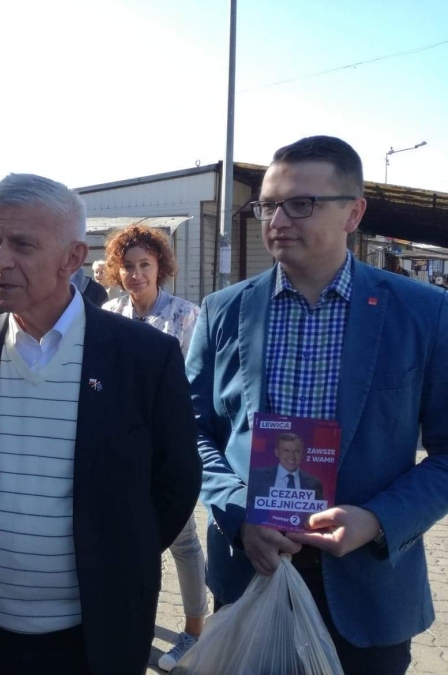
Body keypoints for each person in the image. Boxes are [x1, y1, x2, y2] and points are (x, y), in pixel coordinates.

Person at [186, 136, 448, 675]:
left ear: (354, 213)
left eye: (301, 203)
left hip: (368, 590)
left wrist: (377, 521)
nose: (278, 220)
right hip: (249, 574)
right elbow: (191, 433)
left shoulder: (424, 313)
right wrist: (237, 513)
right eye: (268, 205)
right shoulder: (222, 312)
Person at [0, 173, 201, 675]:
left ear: (73, 258)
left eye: (22, 245)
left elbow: (176, 483)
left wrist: (121, 558)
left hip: (95, 638)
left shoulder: (145, 357)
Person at [101, 224, 206, 671]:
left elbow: (194, 386)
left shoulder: (186, 317)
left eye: (145, 264)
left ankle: (195, 631)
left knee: (182, 538)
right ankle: (129, 623)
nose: (137, 274)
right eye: (128, 266)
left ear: (160, 266)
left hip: (167, 448)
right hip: (120, 451)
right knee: (127, 538)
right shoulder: (108, 314)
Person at [246, 432, 324, 505]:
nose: (292, 456)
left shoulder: (314, 484)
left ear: (301, 454)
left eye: (296, 451)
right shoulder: (257, 477)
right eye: (286, 451)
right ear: (277, 452)